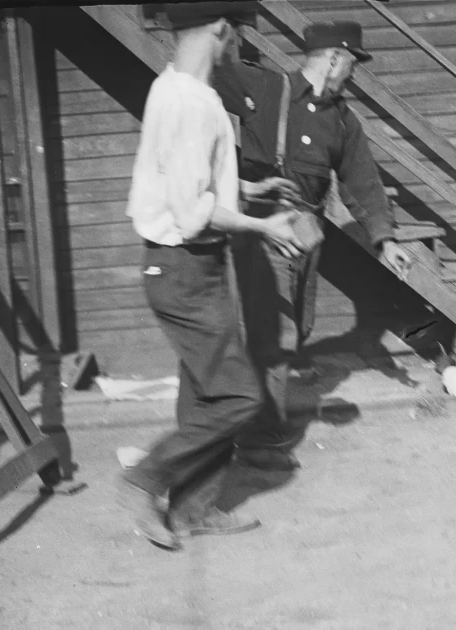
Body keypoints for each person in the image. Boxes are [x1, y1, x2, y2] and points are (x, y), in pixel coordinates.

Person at [118, 1, 306, 551]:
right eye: (239, 35)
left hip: (193, 266)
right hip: (182, 267)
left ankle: (193, 511)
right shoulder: (189, 103)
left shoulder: (179, 88)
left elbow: (189, 181)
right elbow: (188, 209)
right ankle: (147, 477)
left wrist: (248, 191)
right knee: (239, 399)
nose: (239, 47)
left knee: (203, 395)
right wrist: (261, 224)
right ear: (222, 29)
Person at [213, 21, 412, 471]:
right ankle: (259, 439)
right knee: (275, 333)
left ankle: (255, 420)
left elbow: (363, 182)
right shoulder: (268, 88)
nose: (355, 74)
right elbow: (210, 74)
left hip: (308, 230)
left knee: (298, 327)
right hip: (264, 230)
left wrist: (385, 239)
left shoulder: (343, 120)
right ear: (335, 58)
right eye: (353, 64)